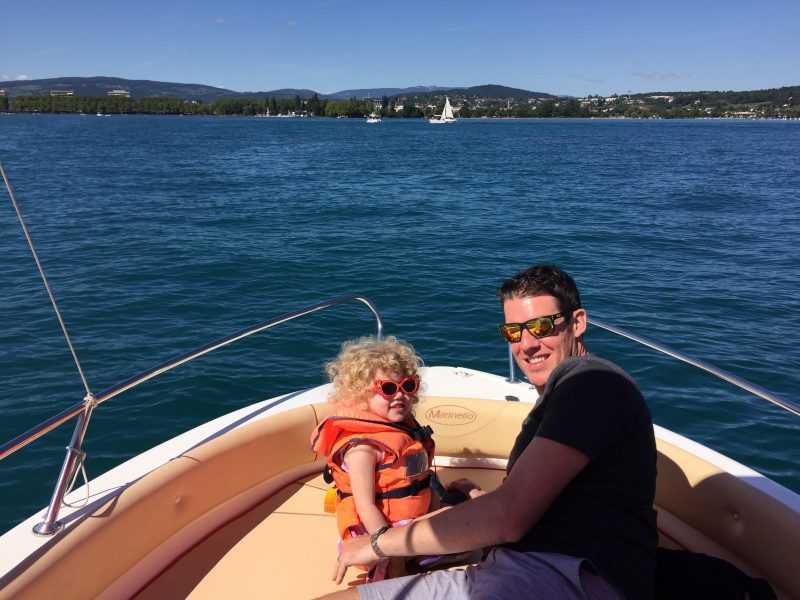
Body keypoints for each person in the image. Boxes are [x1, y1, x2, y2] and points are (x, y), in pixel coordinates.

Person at [320, 264, 658, 600]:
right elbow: (551, 500)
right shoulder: (565, 393)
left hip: (562, 576)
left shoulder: (592, 385)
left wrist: (377, 545)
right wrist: (483, 500)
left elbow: (509, 519)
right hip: (513, 566)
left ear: (577, 322)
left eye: (540, 327)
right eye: (514, 332)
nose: (526, 345)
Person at [311, 335, 438, 581]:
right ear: (360, 395)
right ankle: (394, 565)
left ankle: (427, 549)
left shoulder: (402, 429)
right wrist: (386, 548)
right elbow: (365, 506)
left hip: (409, 522)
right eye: (388, 389)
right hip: (375, 537)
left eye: (407, 386)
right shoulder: (362, 449)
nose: (399, 395)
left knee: (457, 509)